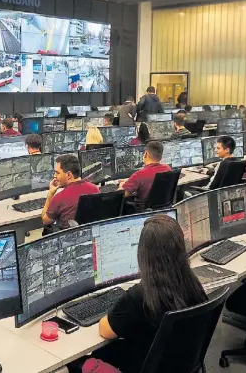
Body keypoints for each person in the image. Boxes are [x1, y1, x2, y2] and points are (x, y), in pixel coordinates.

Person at [78, 214, 207, 373]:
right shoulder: (193, 284)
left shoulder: (140, 296)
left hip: (144, 367)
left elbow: (105, 330)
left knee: (78, 363)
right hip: (179, 366)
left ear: (143, 254)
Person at [41, 154, 100, 232]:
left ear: (69, 175)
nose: (55, 176)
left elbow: (45, 221)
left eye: (57, 173)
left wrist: (50, 194)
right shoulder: (95, 189)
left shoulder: (59, 197)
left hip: (69, 239)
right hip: (91, 236)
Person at [120, 141, 171, 205]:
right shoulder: (167, 168)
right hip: (163, 209)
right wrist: (130, 181)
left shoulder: (139, 175)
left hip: (143, 212)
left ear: (146, 154)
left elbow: (121, 194)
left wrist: (121, 184)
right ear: (160, 157)